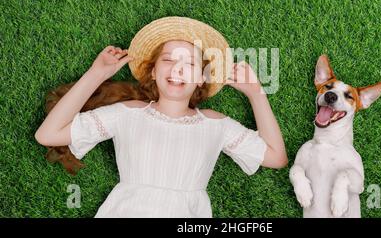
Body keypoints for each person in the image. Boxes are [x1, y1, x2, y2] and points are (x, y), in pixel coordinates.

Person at [35, 16, 288, 217]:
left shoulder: (216, 124)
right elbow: (48, 134)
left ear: (202, 78)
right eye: (168, 60)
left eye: (189, 63)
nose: (177, 68)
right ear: (153, 72)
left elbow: (276, 157)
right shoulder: (127, 114)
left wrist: (256, 94)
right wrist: (95, 75)